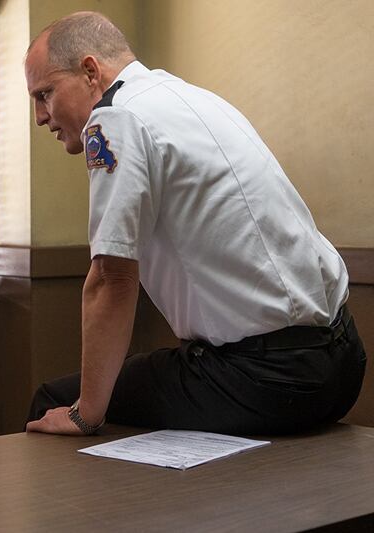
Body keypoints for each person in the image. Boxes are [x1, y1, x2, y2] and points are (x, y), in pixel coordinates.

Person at [23, 12, 366, 436]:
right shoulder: (191, 97)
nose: (40, 116)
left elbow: (111, 279)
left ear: (91, 71)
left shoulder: (115, 118)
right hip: (344, 360)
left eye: (45, 93)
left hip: (265, 381)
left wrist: (84, 414)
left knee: (56, 401)